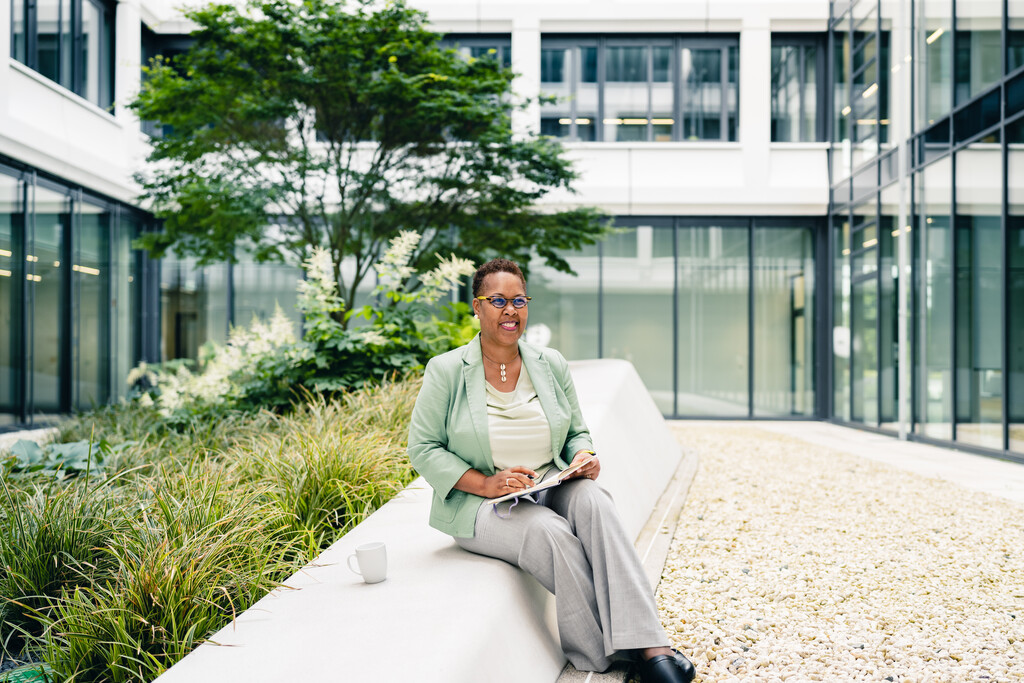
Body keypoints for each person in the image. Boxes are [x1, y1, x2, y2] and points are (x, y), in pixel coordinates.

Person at [407, 258, 696, 683]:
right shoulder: (447, 370)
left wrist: (583, 456)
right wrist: (486, 483)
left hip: (548, 481)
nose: (510, 310)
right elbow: (423, 447)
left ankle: (650, 643)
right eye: (498, 300)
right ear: (477, 306)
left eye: (519, 300)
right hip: (481, 503)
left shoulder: (551, 363)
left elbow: (577, 432)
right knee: (551, 532)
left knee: (595, 501)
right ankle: (614, 653)